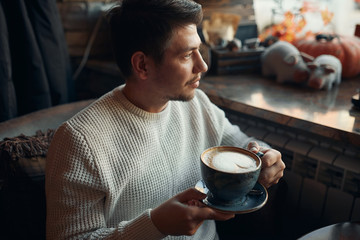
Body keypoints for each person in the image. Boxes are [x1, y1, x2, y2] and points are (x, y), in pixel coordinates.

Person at [45, 0, 286, 239]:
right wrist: (155, 225)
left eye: (199, 51)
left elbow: (243, 144)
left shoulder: (198, 103)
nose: (202, 65)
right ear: (142, 65)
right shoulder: (78, 141)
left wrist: (264, 155)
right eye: (186, 55)